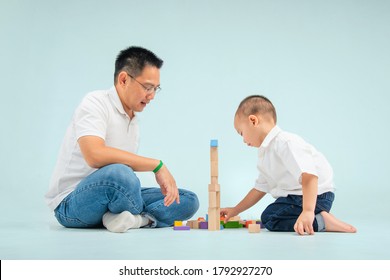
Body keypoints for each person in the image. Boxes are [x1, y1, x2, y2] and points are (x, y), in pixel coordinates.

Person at [45, 46, 199, 233]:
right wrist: (157, 165)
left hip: (114, 192)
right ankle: (138, 216)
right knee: (121, 174)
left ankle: (133, 220)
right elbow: (94, 155)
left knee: (187, 199)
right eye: (147, 87)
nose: (151, 96)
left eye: (155, 89)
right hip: (72, 202)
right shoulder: (95, 102)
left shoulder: (133, 121)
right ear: (124, 79)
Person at [221, 95, 356, 235]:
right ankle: (318, 217)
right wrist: (235, 210)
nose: (243, 140)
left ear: (253, 121)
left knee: (270, 218)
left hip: (316, 196)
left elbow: (309, 176)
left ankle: (321, 221)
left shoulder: (285, 143)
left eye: (241, 133)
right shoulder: (266, 153)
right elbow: (259, 189)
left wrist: (308, 211)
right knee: (271, 213)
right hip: (299, 197)